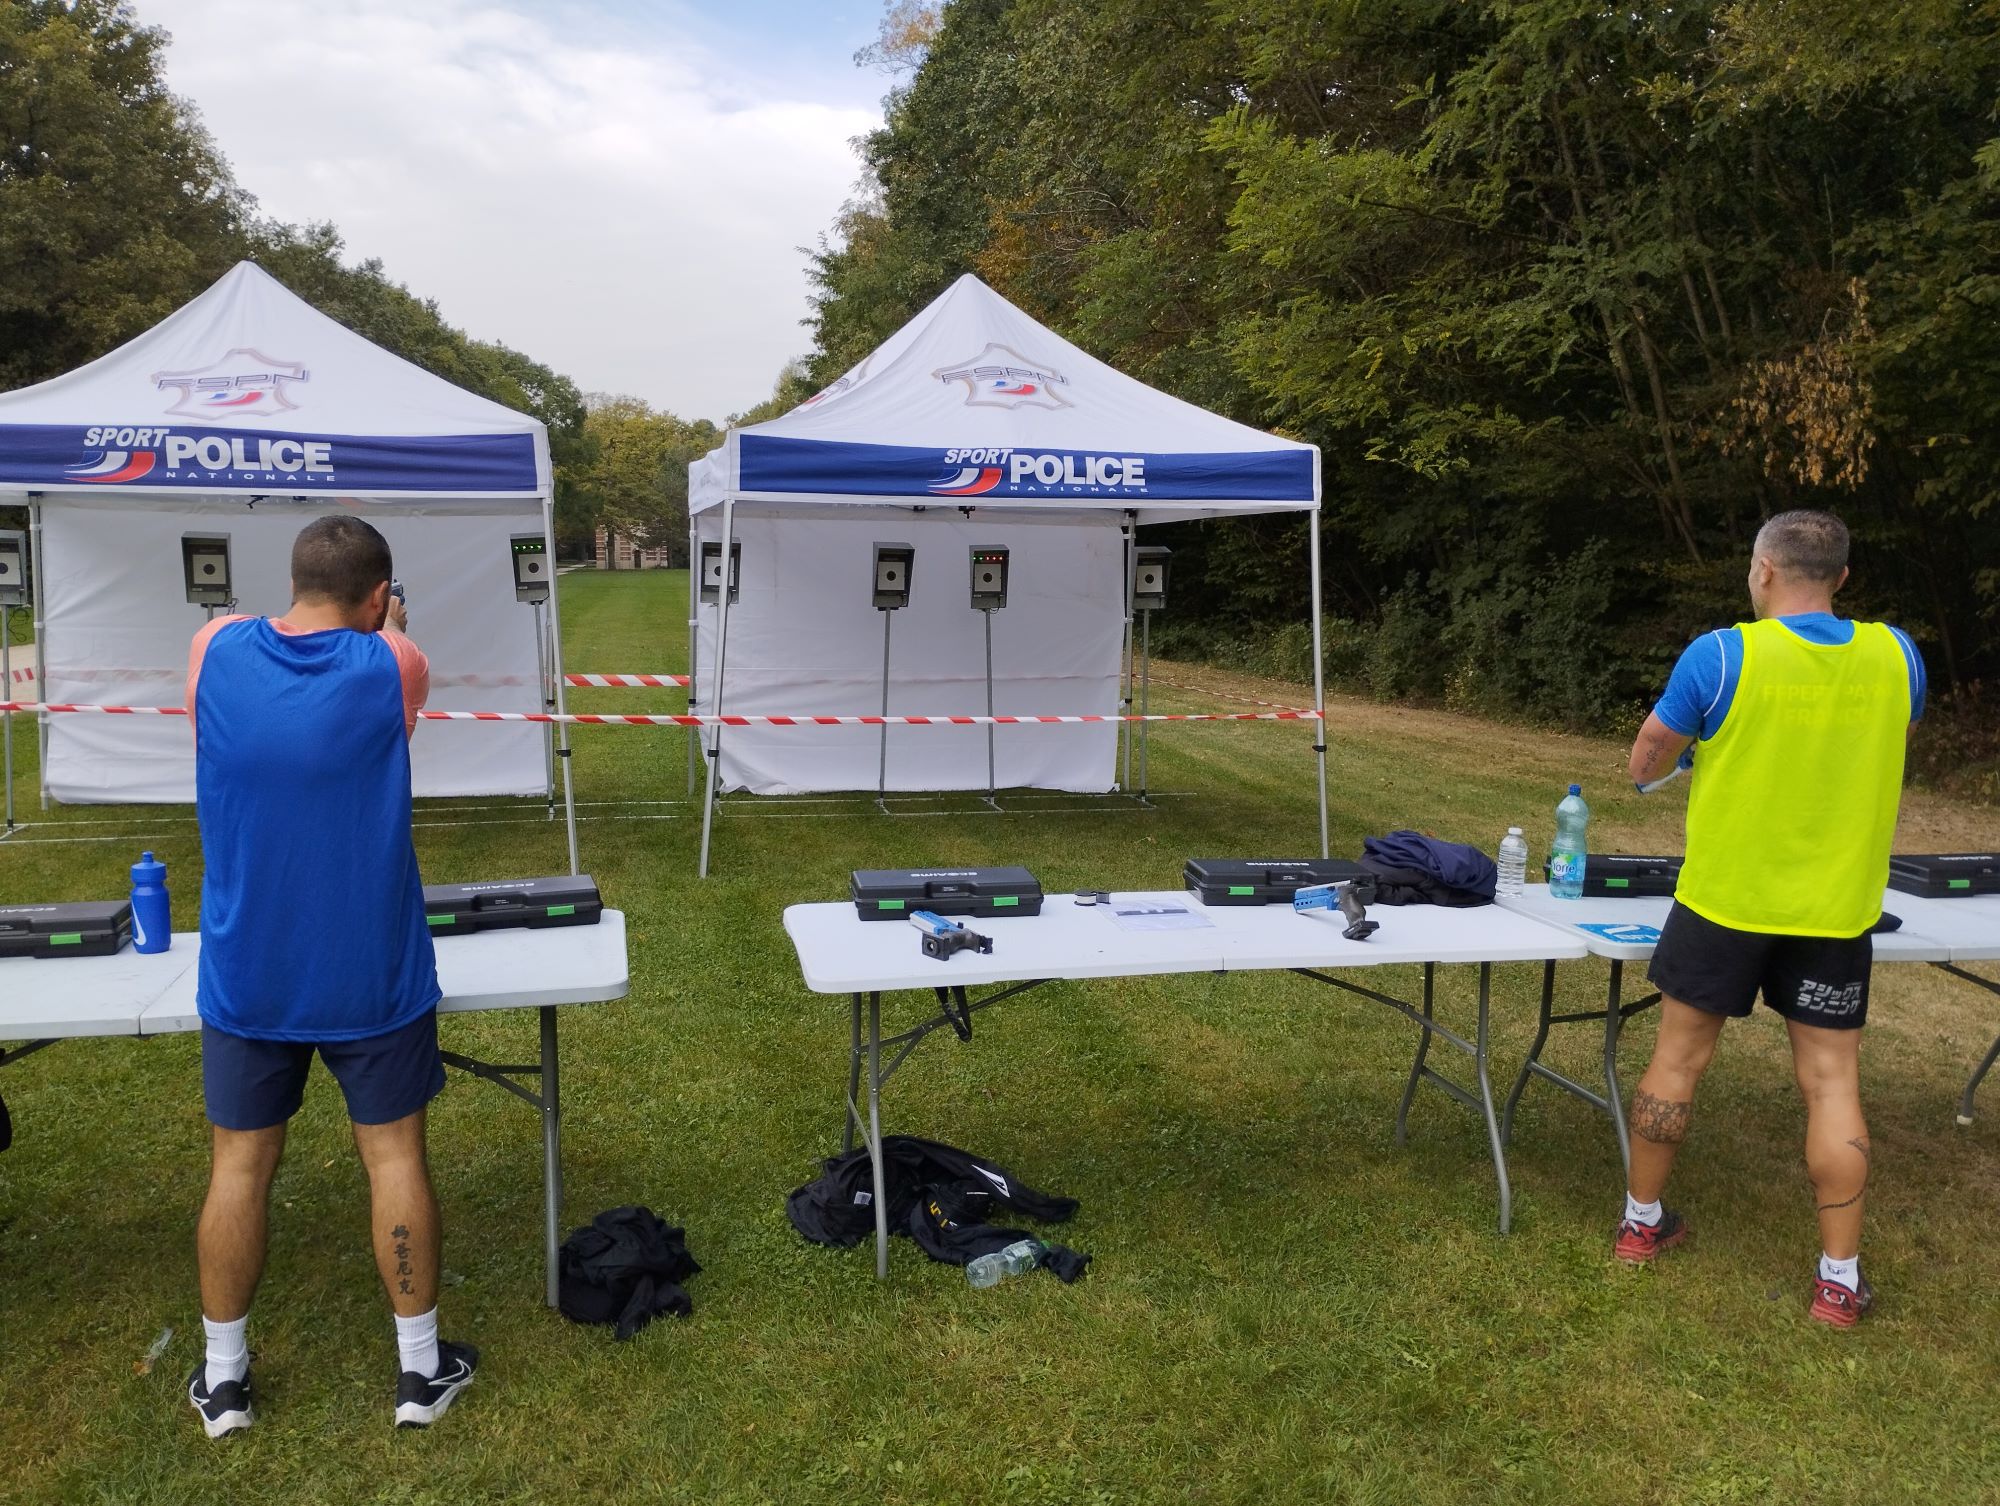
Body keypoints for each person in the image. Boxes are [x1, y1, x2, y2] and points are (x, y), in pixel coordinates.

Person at [183, 516, 476, 1436]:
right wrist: (389, 624)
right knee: (394, 1158)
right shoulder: (394, 662)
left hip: (250, 965)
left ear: (296, 578)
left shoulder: (213, 648)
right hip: (369, 968)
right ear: (380, 595)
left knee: (239, 1166)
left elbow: (242, 650)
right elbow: (389, 663)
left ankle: (224, 1381)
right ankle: (419, 1368)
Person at [1619, 509, 1924, 1328]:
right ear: (1841, 579)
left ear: (1762, 571)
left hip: (1724, 900)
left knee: (1677, 1061)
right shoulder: (1898, 655)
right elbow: (1890, 735)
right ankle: (1838, 1280)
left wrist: (1671, 764)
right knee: (1832, 1084)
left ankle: (1641, 1226)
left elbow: (1646, 758)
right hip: (1836, 909)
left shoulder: (1722, 655)